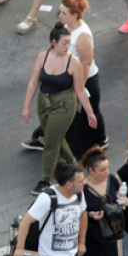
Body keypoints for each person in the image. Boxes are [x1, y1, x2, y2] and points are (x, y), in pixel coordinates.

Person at [21, 25, 97, 194]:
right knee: (55, 136)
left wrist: (89, 112)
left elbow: (79, 90)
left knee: (50, 143)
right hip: (44, 102)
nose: (67, 46)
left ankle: (45, 180)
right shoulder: (43, 56)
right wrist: (26, 106)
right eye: (64, 43)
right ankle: (74, 165)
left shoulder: (73, 61)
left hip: (64, 105)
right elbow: (33, 82)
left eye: (69, 43)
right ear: (54, 42)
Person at [71, 147, 125, 256]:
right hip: (89, 236)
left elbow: (118, 198)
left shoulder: (111, 180)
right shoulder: (82, 188)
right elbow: (75, 212)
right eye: (102, 170)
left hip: (109, 235)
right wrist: (90, 215)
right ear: (91, 170)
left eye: (107, 168)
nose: (106, 172)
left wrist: (124, 202)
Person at [58, 0, 107, 156]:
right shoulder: (66, 26)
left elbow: (87, 63)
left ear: (74, 15)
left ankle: (99, 139)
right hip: (71, 77)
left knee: (90, 110)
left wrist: (81, 86)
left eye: (64, 13)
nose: (60, 15)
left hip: (87, 79)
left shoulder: (82, 35)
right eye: (60, 12)